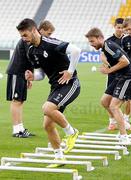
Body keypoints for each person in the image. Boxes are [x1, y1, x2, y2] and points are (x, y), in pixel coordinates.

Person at [17, 18, 81, 167]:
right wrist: (33, 77)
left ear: (34, 30)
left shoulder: (52, 43)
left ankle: (72, 133)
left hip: (70, 84)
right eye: (21, 36)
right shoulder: (32, 51)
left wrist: (70, 72)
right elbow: (41, 74)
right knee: (47, 125)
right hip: (55, 87)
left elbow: (76, 51)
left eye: (25, 35)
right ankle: (59, 158)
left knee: (47, 108)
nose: (23, 39)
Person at [85, 27, 131, 143]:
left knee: (114, 106)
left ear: (99, 38)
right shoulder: (105, 47)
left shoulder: (109, 46)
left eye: (92, 41)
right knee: (104, 101)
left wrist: (109, 70)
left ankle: (124, 136)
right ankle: (121, 122)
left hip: (128, 77)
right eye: (89, 42)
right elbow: (104, 55)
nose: (91, 44)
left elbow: (125, 61)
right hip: (119, 76)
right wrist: (107, 65)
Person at [6, 20, 55, 138]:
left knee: (20, 101)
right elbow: (33, 58)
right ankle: (16, 130)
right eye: (48, 34)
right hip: (17, 72)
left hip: (23, 73)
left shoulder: (33, 40)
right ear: (40, 30)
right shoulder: (28, 40)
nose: (49, 37)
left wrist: (29, 78)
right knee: (16, 100)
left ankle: (21, 129)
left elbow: (31, 60)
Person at [105, 18, 131, 131]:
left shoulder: (127, 40)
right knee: (109, 98)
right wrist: (109, 65)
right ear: (114, 26)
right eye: (118, 27)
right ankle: (112, 121)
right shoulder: (109, 41)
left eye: (122, 28)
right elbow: (104, 56)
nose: (120, 30)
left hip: (126, 74)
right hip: (113, 74)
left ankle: (125, 119)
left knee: (128, 98)